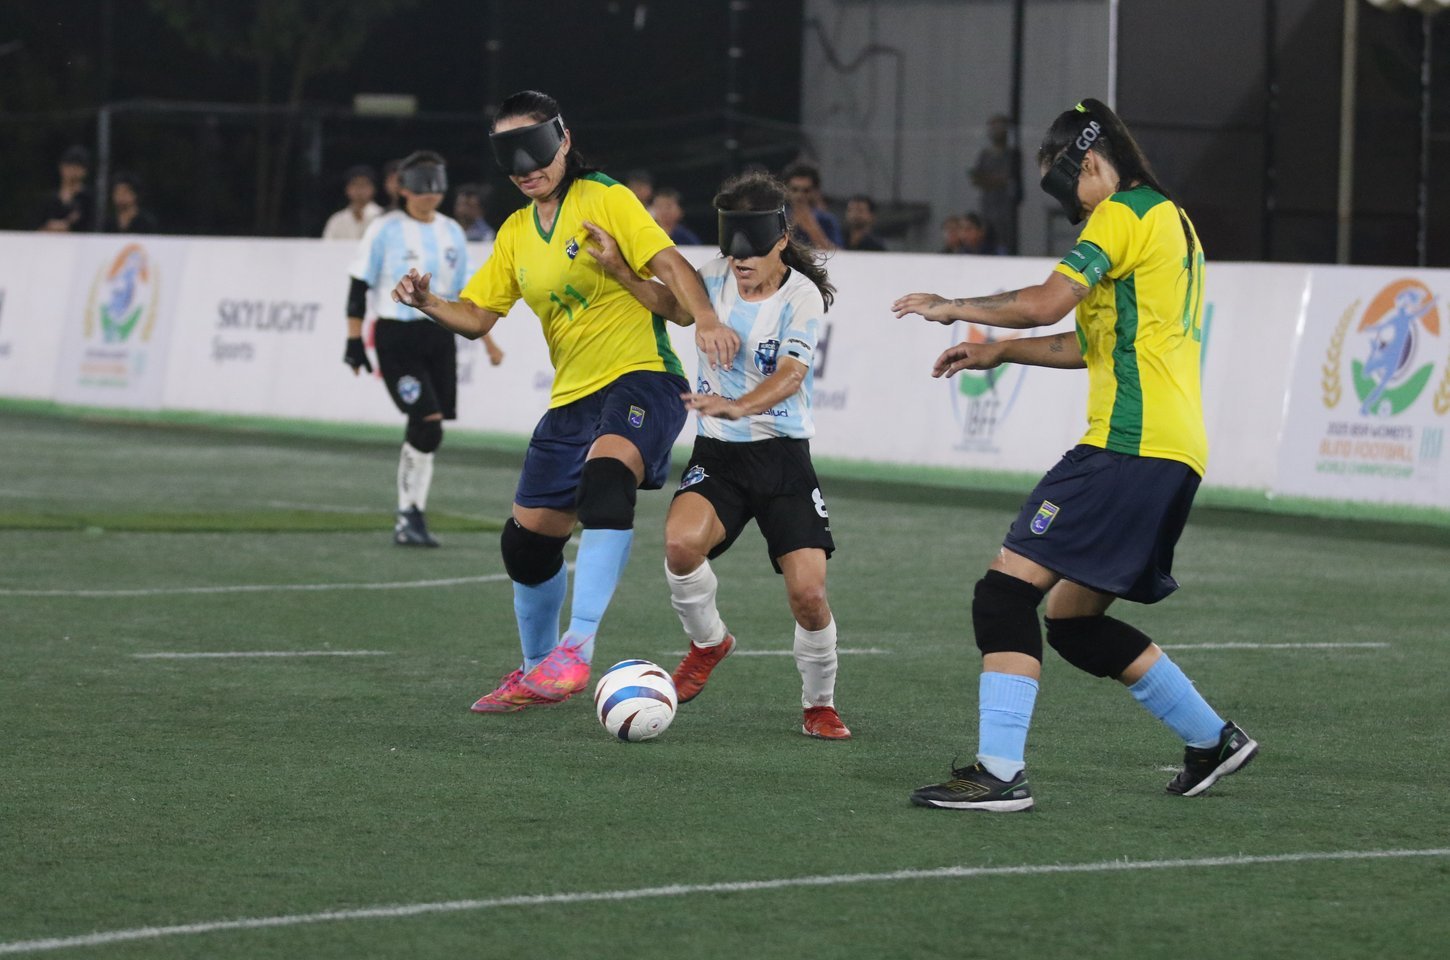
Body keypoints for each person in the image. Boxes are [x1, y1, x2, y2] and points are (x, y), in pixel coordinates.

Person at [893, 99, 1256, 812]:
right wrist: (996, 351)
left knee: (1004, 593)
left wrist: (951, 303)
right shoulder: (1168, 220)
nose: (1068, 207)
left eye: (1060, 187)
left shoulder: (1120, 212)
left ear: (1088, 164)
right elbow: (1082, 343)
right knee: (1073, 622)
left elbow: (1044, 304)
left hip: (1128, 445)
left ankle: (1000, 773)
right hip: (1173, 450)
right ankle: (1212, 739)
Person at [389, 90, 734, 713]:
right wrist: (428, 302)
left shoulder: (605, 196)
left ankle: (577, 648)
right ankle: (535, 673)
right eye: (510, 157)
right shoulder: (516, 232)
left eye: (536, 148)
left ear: (564, 140)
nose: (526, 166)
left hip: (643, 378)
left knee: (606, 479)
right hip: (572, 398)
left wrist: (705, 317)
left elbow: (672, 265)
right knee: (526, 545)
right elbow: (476, 316)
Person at [589, 171, 851, 740]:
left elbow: (789, 376)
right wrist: (618, 270)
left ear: (781, 238)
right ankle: (709, 643)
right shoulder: (713, 276)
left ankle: (819, 705)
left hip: (783, 460)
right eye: (733, 250)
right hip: (720, 457)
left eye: (753, 249)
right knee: (681, 545)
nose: (741, 261)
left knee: (809, 595)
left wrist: (740, 405)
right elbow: (673, 307)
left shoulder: (800, 297)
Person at [343, 149, 504, 547]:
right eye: (421, 188)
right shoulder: (384, 228)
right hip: (397, 336)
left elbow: (469, 295)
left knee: (428, 427)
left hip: (439, 334)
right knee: (428, 423)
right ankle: (408, 513)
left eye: (435, 188)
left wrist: (488, 341)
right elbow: (359, 283)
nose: (429, 196)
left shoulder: (451, 231)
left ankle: (410, 514)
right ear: (404, 190)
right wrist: (353, 339)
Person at [969, 113, 1021, 254]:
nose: (996, 130)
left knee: (1004, 238)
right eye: (993, 127)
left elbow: (1007, 179)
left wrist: (988, 179)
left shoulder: (1013, 154)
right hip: (987, 205)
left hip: (1006, 207)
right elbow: (976, 178)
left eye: (1000, 127)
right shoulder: (984, 155)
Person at [782, 160, 842, 250]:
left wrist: (812, 229)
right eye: (795, 189)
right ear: (786, 190)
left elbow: (840, 255)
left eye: (806, 191)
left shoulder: (827, 220)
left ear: (815, 192)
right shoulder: (778, 218)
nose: (799, 195)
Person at [38, 145, 93, 232]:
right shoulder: (50, 199)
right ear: (61, 167)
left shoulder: (89, 199)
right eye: (69, 166)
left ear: (85, 171)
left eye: (77, 167)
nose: (73, 171)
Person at [322, 165, 383, 240]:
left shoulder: (383, 218)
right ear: (347, 189)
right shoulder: (336, 220)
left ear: (373, 189)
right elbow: (326, 247)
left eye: (364, 184)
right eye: (355, 184)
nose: (359, 189)